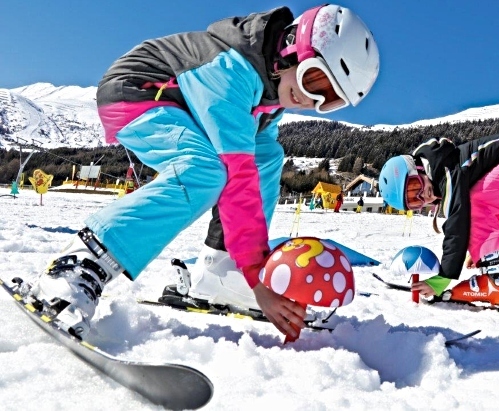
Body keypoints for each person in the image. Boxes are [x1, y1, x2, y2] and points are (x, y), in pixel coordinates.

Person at [25, 4, 379, 340]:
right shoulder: (233, 70)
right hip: (138, 92)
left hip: (179, 106)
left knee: (268, 154)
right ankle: (79, 266)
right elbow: (237, 178)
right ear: (291, 48)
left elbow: (253, 169)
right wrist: (258, 278)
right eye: (314, 81)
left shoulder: (269, 100)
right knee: (206, 171)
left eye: (330, 99)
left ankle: (220, 270)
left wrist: (248, 270)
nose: (312, 101)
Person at [378, 132, 499, 306]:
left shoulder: (444, 170)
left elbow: (457, 224)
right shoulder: (445, 167)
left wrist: (443, 278)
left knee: (473, 203)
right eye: (414, 200)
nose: (423, 196)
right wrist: (483, 252)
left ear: (417, 167)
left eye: (414, 186)